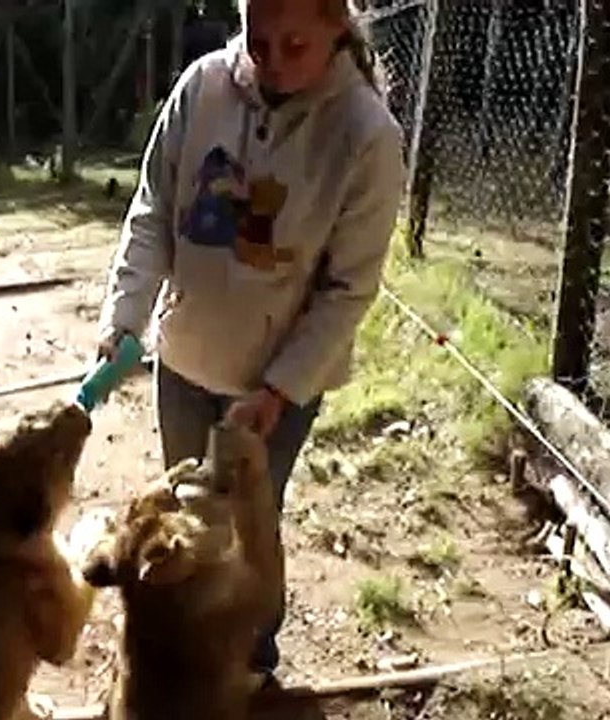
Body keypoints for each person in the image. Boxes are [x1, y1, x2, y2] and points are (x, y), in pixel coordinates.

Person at [96, 0, 405, 686]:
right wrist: (125, 318)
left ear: (336, 26)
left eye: (295, 45)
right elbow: (151, 215)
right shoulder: (202, 88)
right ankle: (182, 650)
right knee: (186, 521)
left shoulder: (366, 135)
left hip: (276, 385)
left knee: (246, 528)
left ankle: (251, 663)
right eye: (257, 42)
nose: (272, 64)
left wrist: (281, 388)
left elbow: (347, 289)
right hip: (184, 359)